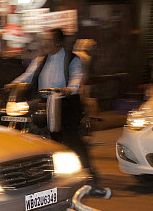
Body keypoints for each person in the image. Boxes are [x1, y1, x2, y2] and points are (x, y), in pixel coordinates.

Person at [8, 27, 96, 179]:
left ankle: (87, 169)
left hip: (66, 103)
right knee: (42, 137)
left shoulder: (72, 59)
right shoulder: (40, 60)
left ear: (57, 42)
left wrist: (69, 89)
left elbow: (76, 77)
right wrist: (12, 84)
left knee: (71, 137)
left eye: (47, 40)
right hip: (44, 103)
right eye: (44, 40)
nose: (43, 44)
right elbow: (27, 76)